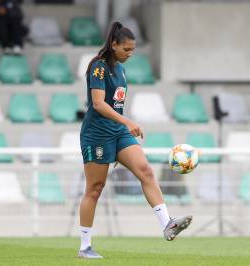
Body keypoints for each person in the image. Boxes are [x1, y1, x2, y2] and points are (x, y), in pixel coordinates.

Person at [78, 21, 192, 259]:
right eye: (126, 49)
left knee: (146, 171)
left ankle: (167, 223)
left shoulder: (120, 69)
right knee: (95, 189)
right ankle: (85, 246)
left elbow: (116, 103)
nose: (130, 54)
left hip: (117, 132)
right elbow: (98, 104)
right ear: (113, 44)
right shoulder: (98, 67)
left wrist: (122, 125)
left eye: (133, 50)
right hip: (97, 134)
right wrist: (127, 121)